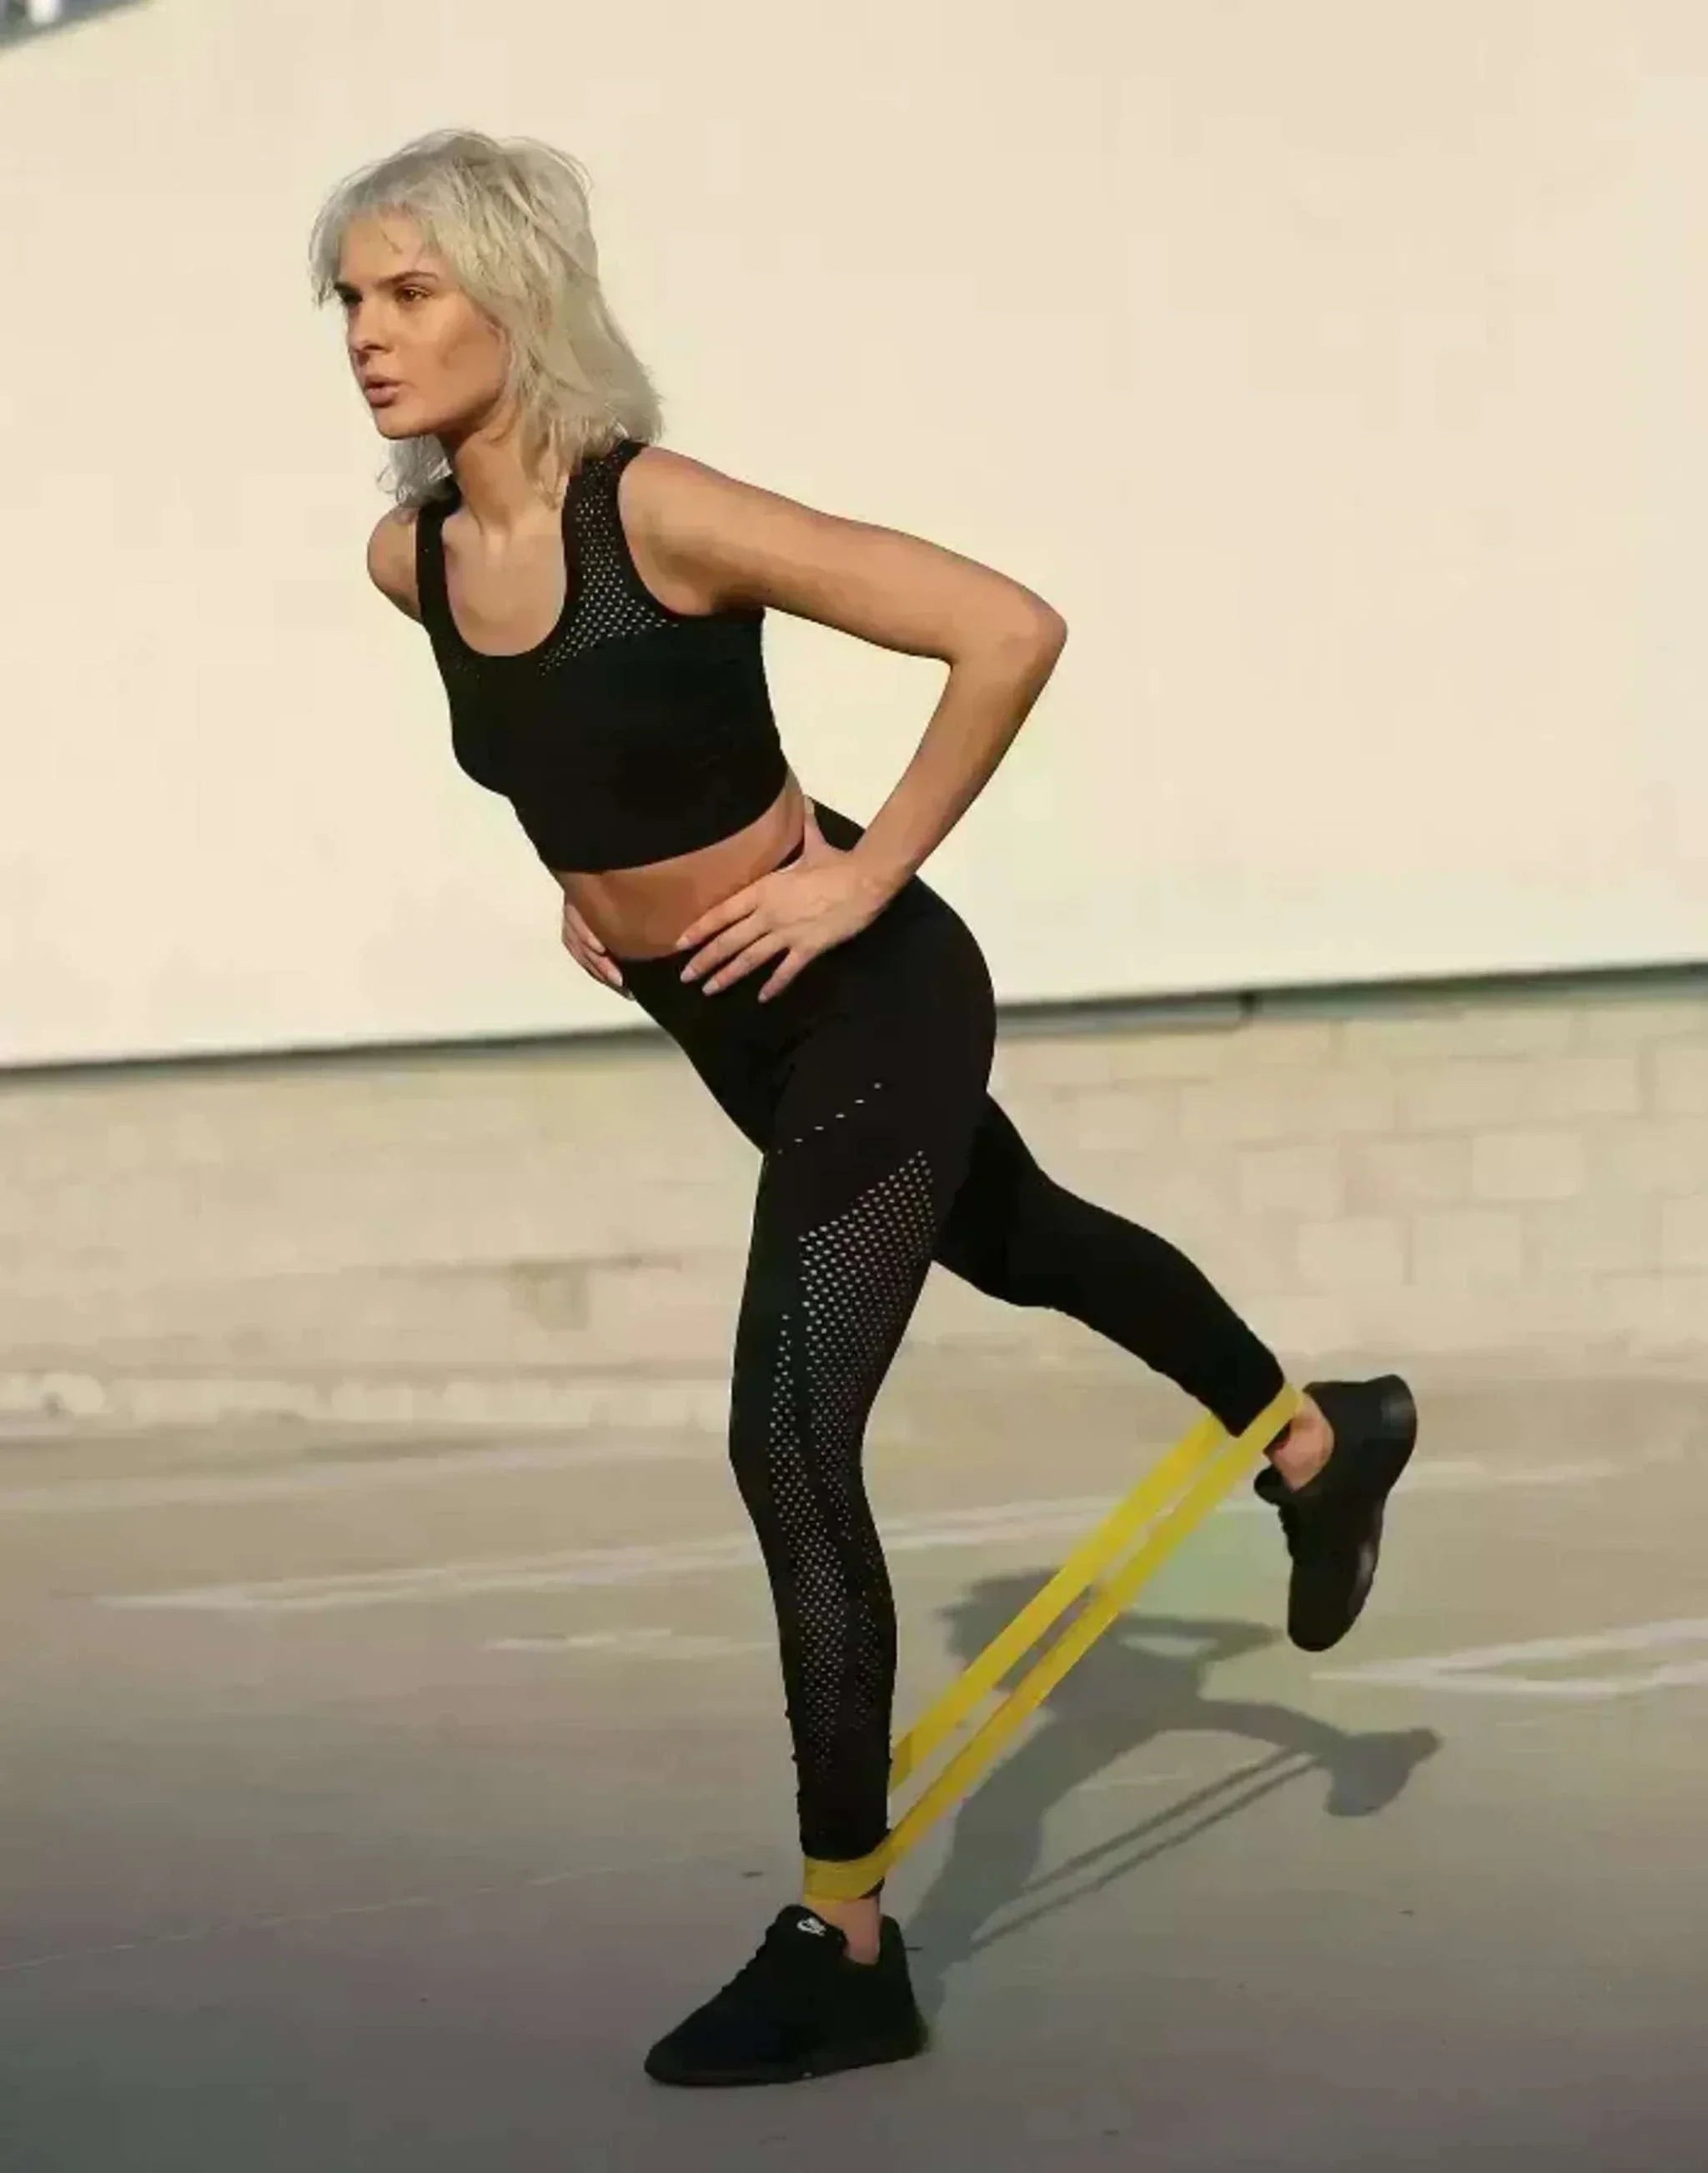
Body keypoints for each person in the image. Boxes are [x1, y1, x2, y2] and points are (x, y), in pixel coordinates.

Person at [309, 128, 1418, 2090]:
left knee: (786, 1438)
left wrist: (864, 869)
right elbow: (575, 750)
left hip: (871, 996)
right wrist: (591, 884)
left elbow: (1005, 625)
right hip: (728, 1021)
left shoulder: (656, 511)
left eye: (411, 291)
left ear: (518, 293)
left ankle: (843, 1933)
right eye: (350, 301)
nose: (370, 337)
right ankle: (1322, 1443)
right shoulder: (410, 560)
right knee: (1027, 1237)